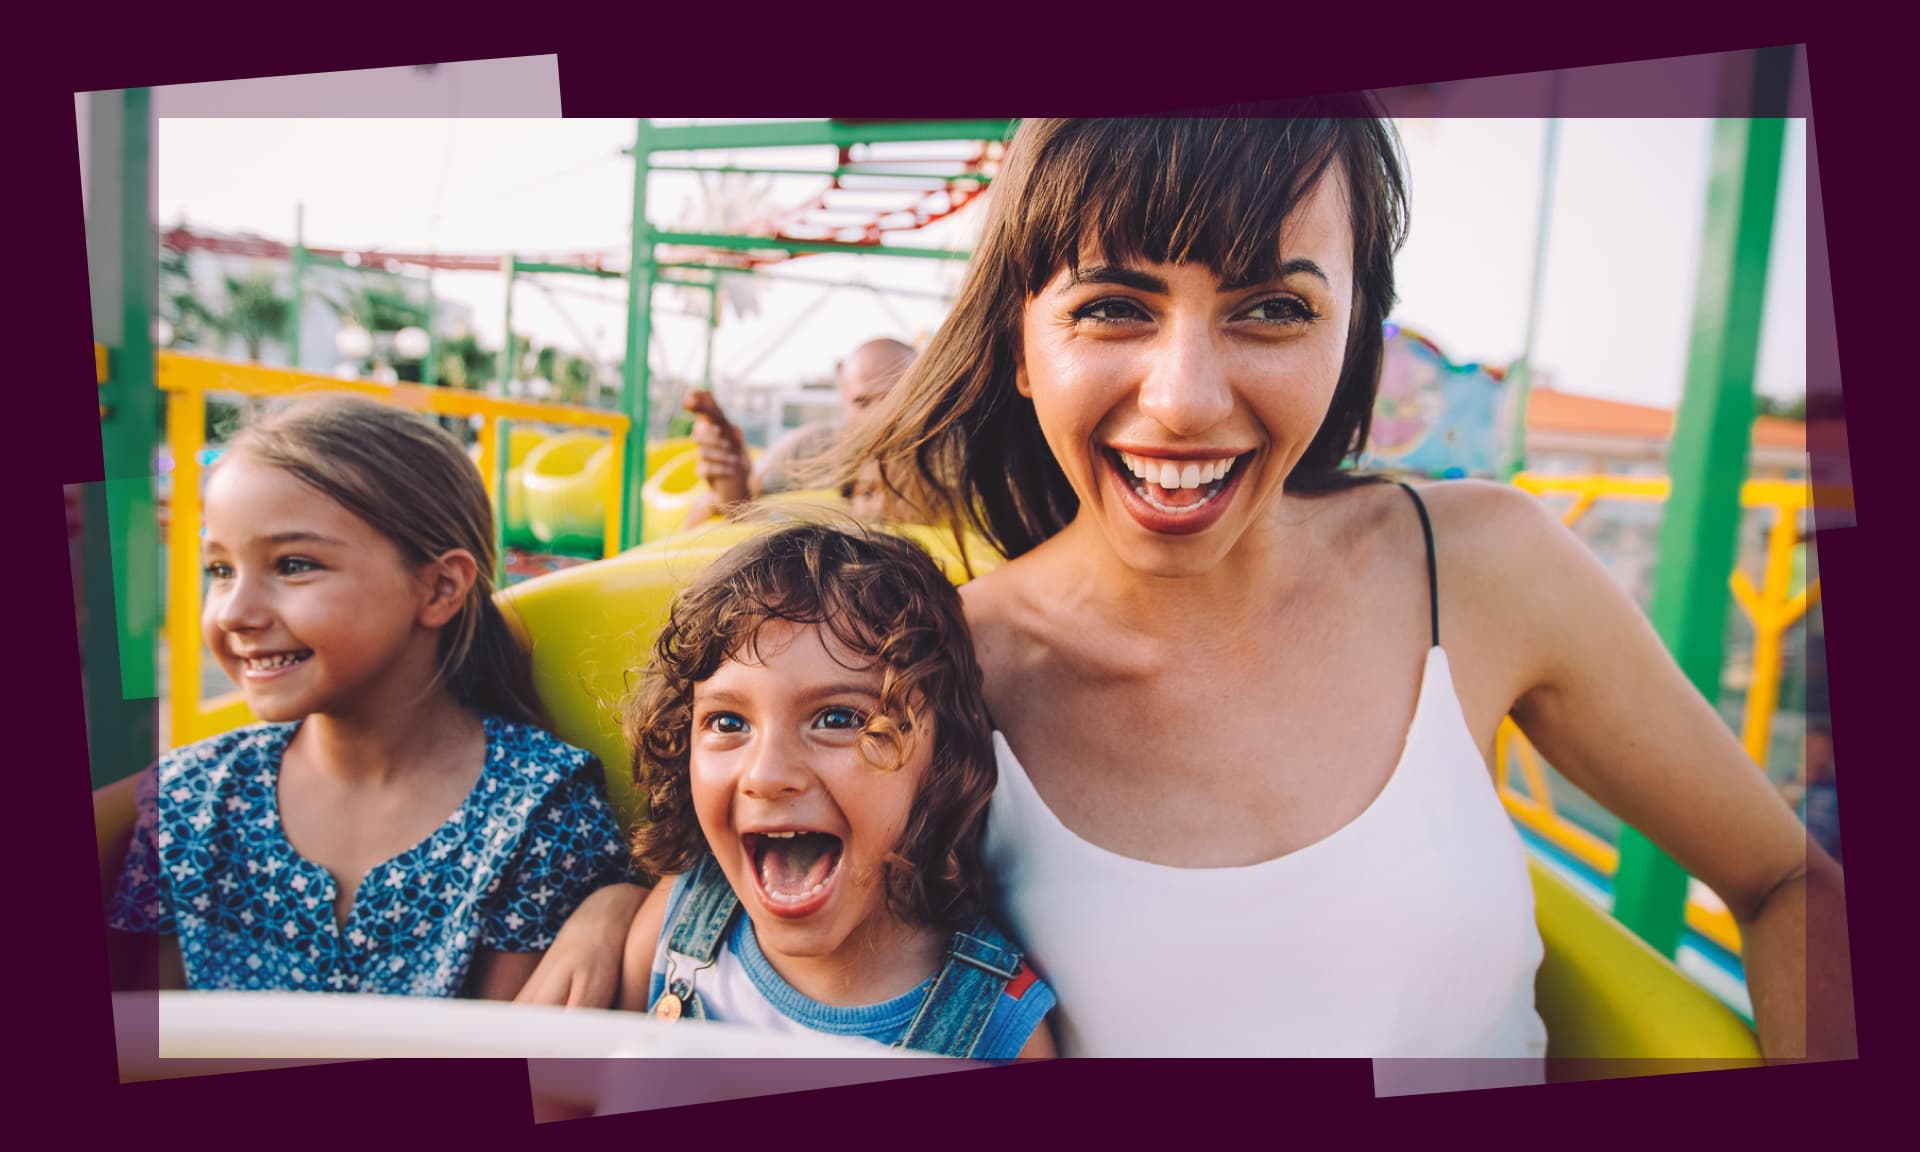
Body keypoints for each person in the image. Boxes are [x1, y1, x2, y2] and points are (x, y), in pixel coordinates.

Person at [526, 113, 1852, 1062]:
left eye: (1273, 308)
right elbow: (760, 906)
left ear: (1355, 335)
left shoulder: (1486, 569)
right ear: (1024, 344)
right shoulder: (932, 679)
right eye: (1113, 307)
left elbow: (1794, 887)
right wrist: (608, 907)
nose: (1186, 399)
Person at [106, 396, 631, 997]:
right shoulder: (190, 801)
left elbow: (510, 1065)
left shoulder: (542, 809)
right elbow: (146, 1044)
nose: (235, 612)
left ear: (439, 587)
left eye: (294, 564)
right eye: (220, 570)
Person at [613, 523, 1054, 1058]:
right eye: (728, 723)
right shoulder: (675, 922)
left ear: (942, 755)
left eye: (838, 717)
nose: (766, 775)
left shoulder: (994, 1027)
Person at [682, 338, 916, 526]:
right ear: (843, 402)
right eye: (862, 402)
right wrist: (733, 484)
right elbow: (730, 505)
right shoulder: (809, 450)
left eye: (895, 398)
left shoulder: (946, 457)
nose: (880, 415)